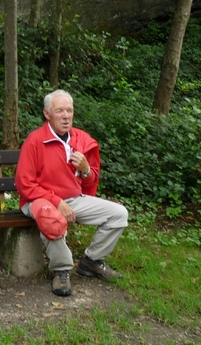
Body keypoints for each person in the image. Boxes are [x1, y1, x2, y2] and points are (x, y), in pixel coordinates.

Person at [15, 90, 128, 297]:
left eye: (69, 110)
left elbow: (90, 183)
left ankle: (91, 262)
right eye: (59, 111)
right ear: (47, 114)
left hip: (73, 199)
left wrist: (85, 170)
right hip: (38, 200)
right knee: (52, 219)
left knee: (119, 214)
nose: (66, 115)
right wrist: (56, 201)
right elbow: (24, 184)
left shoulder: (80, 139)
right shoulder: (35, 141)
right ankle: (61, 271)